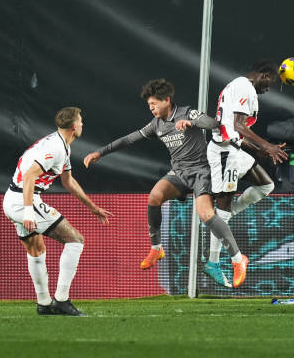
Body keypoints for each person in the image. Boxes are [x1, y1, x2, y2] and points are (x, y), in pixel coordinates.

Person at [83, 78, 249, 288]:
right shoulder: (156, 124)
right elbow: (129, 139)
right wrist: (100, 152)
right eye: (149, 105)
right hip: (179, 173)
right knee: (154, 197)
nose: (151, 108)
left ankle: (238, 259)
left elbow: (214, 124)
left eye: (154, 103)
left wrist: (192, 123)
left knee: (206, 215)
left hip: (201, 172)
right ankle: (156, 248)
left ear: (167, 100)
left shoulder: (187, 113)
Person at [3, 107, 113, 316]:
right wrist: (28, 212)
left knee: (36, 249)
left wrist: (93, 207)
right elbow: (29, 176)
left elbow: (68, 182)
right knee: (75, 240)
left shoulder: (62, 145)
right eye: (80, 121)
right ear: (74, 127)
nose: (82, 124)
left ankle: (44, 304)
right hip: (23, 200)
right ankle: (61, 300)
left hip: (13, 198)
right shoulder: (56, 148)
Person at [204, 61, 288, 287]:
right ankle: (213, 262)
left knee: (266, 185)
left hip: (233, 149)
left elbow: (233, 130)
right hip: (224, 154)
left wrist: (260, 149)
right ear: (265, 75)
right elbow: (239, 125)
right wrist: (267, 145)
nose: (267, 90)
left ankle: (223, 218)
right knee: (222, 209)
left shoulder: (238, 85)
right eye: (269, 84)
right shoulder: (245, 87)